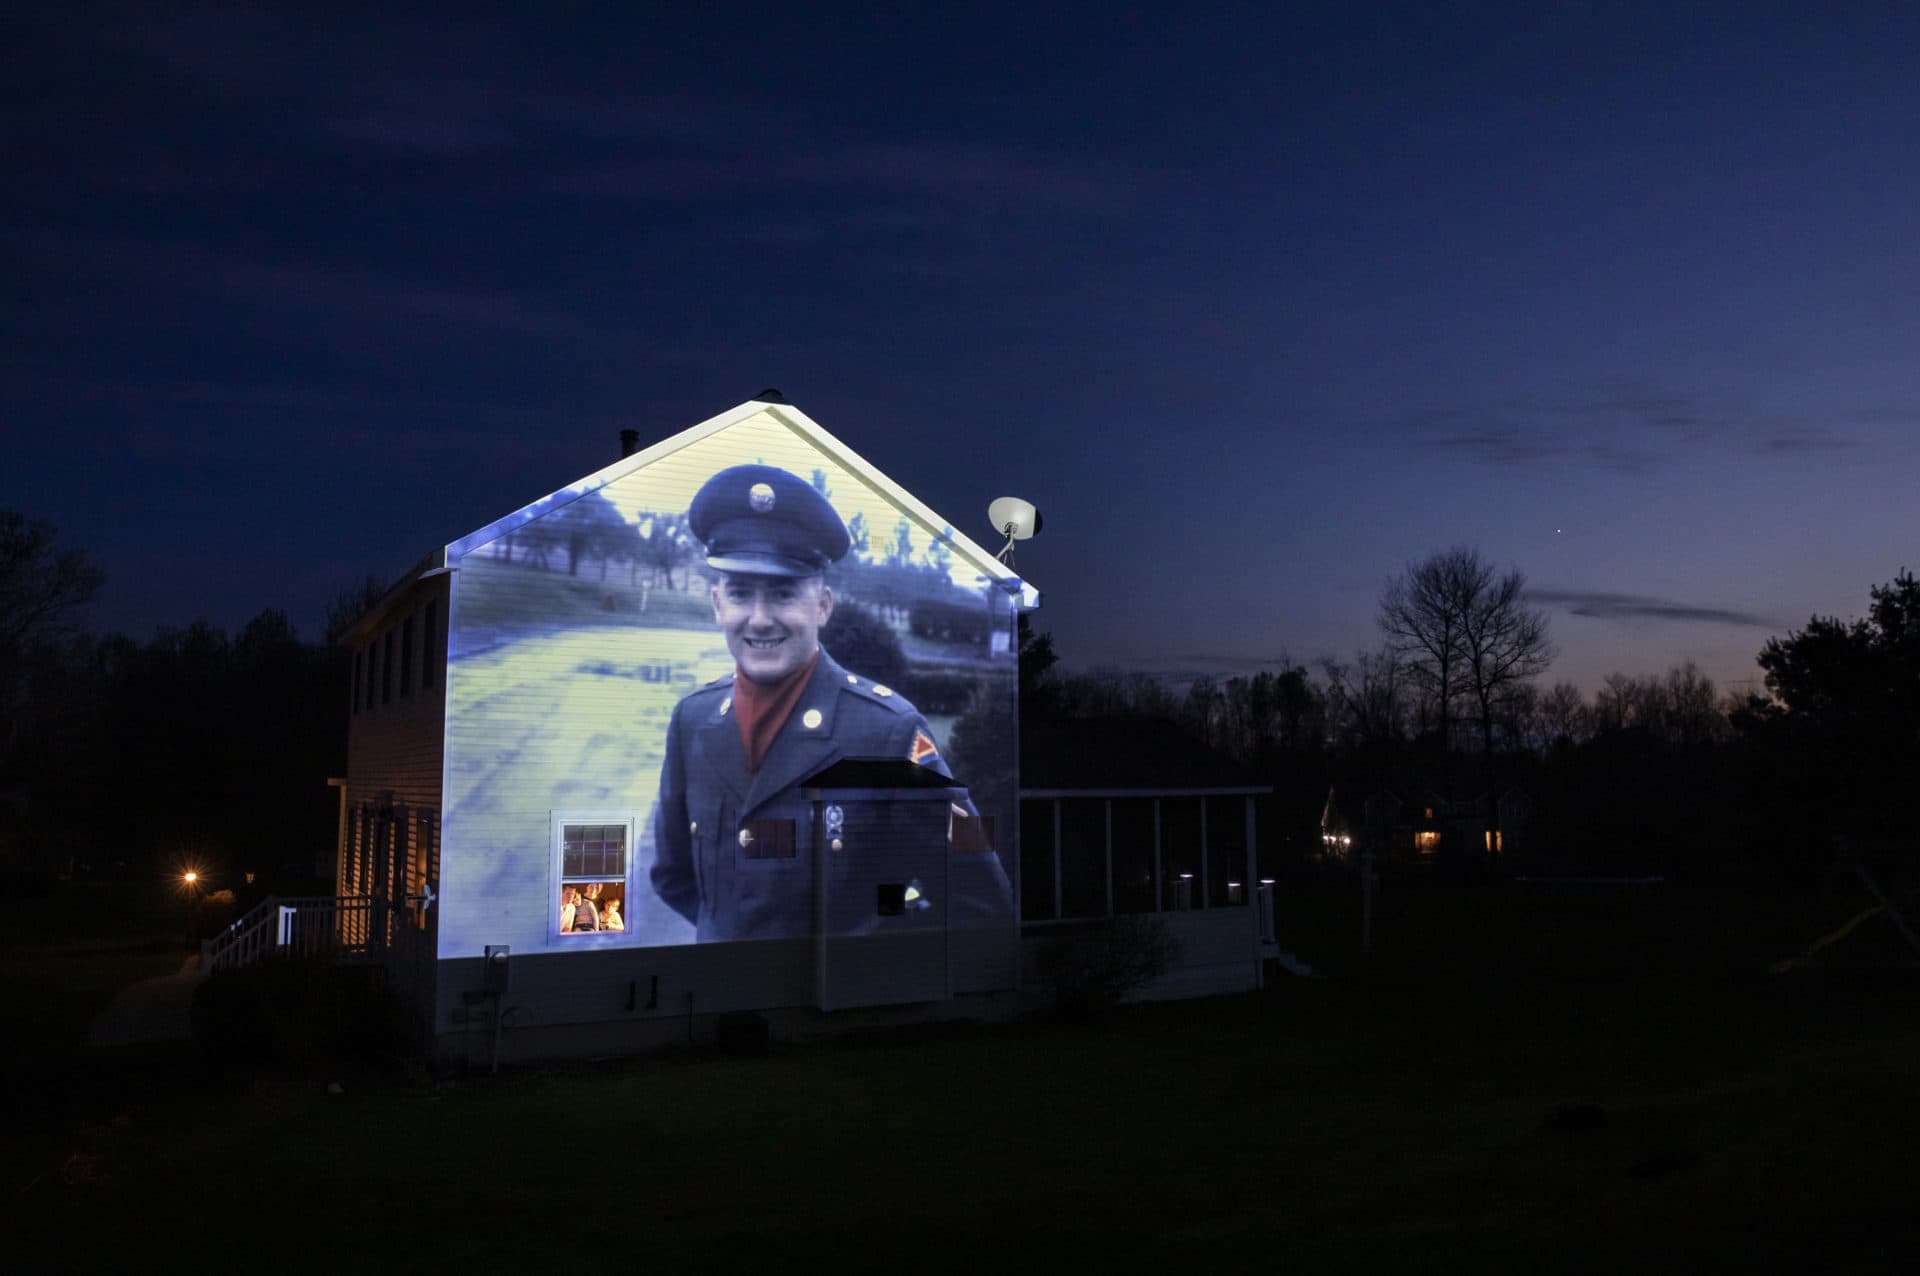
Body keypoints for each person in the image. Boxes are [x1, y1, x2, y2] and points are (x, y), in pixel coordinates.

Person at [650, 463, 1004, 941]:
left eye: (782, 594)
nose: (758, 619)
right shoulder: (692, 720)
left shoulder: (889, 733)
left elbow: (976, 902)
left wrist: (853, 954)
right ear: (717, 605)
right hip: (715, 1005)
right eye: (739, 594)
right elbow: (675, 877)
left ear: (822, 606)